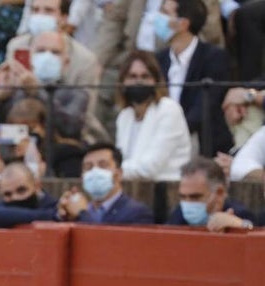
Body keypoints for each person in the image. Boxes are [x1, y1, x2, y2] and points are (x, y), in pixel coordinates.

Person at [0, 31, 91, 145]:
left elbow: (71, 128)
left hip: (55, 157)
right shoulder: (14, 90)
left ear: (66, 62)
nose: (47, 56)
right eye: (40, 51)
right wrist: (0, 97)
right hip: (11, 154)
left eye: (55, 52)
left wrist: (37, 92)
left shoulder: (76, 93)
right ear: (30, 58)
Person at [4, 0, 102, 129]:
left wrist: (37, 91)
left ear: (64, 18)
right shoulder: (16, 47)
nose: (40, 16)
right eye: (35, 10)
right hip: (21, 127)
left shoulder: (85, 60)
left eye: (48, 11)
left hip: (67, 135)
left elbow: (82, 116)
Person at [153, 0, 232, 156]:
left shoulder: (213, 57)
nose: (158, 17)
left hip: (200, 144)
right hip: (160, 140)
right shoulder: (158, 60)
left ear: (183, 24)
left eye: (165, 13)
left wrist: (173, 134)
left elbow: (205, 105)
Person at [114, 51, 191, 181]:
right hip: (132, 187)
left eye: (145, 76)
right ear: (123, 82)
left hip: (167, 189)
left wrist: (112, 171)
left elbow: (149, 168)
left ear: (155, 81)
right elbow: (122, 160)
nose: (138, 81)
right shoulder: (124, 116)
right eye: (132, 76)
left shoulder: (168, 109)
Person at [57, 142, 155, 223]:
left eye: (103, 165)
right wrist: (64, 215)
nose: (95, 171)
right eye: (88, 167)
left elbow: (104, 242)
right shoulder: (80, 210)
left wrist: (82, 214)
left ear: (119, 173)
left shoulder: (137, 213)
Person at [165, 156, 254, 226]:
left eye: (195, 197)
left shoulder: (239, 214)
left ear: (219, 193)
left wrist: (239, 225)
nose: (188, 203)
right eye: (183, 197)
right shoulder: (179, 213)